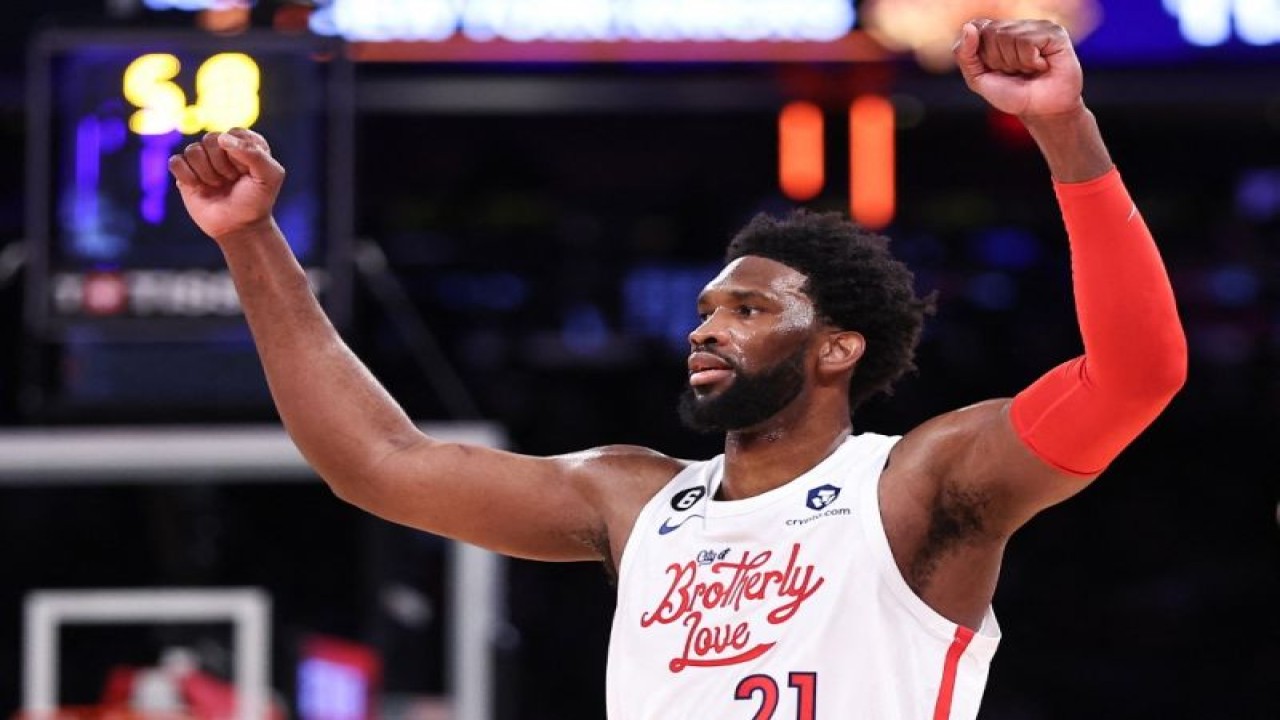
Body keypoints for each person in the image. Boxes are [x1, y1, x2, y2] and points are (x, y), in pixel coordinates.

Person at [168, 18, 1186, 720]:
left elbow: (1134, 374)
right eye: (703, 311)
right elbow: (375, 463)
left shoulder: (917, 484)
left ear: (836, 348)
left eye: (746, 309)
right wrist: (252, 241)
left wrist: (1060, 126)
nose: (705, 330)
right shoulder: (633, 498)